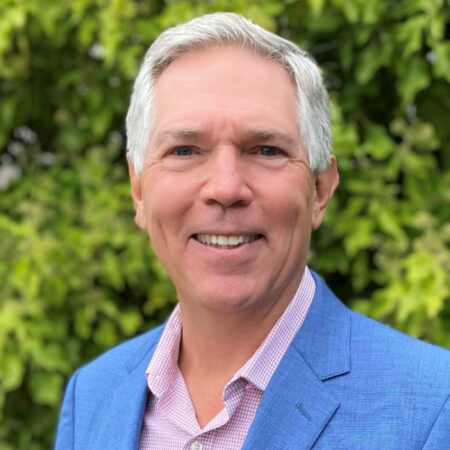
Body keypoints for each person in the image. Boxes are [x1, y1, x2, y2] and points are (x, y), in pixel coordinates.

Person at [55, 13, 450, 450]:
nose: (225, 188)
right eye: (185, 150)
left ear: (320, 189)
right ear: (139, 191)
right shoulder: (92, 396)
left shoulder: (435, 406)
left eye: (266, 150)